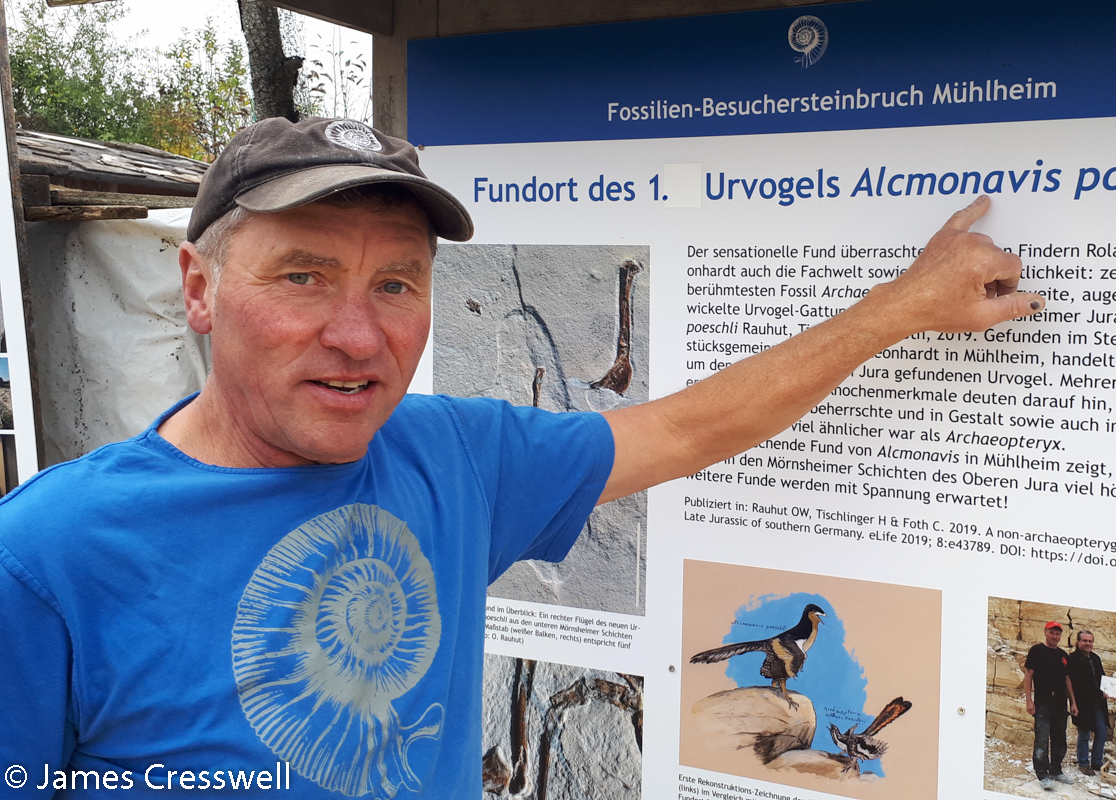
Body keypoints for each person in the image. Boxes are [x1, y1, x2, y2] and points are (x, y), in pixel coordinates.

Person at [0, 117, 1044, 797]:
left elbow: (686, 427)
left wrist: (899, 309)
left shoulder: (451, 455)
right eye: (304, 277)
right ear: (198, 287)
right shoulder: (50, 554)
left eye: (397, 285)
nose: (359, 336)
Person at [1024, 621, 1078, 789]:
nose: (1055, 637)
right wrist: (1029, 700)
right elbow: (1028, 676)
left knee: (1060, 739)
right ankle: (1042, 774)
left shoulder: (1063, 656)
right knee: (1041, 739)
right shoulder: (1036, 651)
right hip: (1043, 701)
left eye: (1057, 634)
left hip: (1060, 703)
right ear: (1045, 632)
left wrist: (1073, 703)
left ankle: (1055, 770)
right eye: (1052, 633)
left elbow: (1067, 680)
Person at [1068, 629, 1112, 775]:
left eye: (1090, 641)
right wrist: (1073, 703)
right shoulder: (1073, 659)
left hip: (1098, 703)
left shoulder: (1095, 658)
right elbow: (1076, 684)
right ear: (1078, 642)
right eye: (1085, 641)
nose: (1088, 643)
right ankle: (1083, 763)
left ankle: (1096, 762)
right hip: (1082, 703)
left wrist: (1110, 691)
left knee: (1102, 732)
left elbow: (1102, 679)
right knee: (1084, 734)